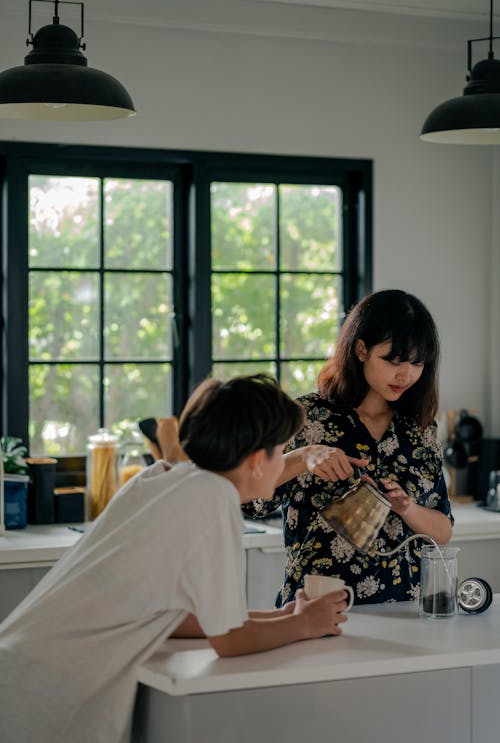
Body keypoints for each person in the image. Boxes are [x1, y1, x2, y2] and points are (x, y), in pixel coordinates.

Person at [0, 375, 349, 743]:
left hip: (18, 663)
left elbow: (166, 614)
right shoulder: (215, 501)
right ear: (256, 460)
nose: (283, 464)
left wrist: (277, 616)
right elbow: (229, 640)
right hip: (39, 694)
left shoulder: (160, 478)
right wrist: (306, 624)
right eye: (281, 452)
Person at [243, 290, 453, 607]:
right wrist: (303, 458)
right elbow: (250, 501)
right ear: (360, 350)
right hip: (311, 608)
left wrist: (406, 507)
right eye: (393, 361)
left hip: (403, 611)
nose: (406, 375)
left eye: (417, 363)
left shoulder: (420, 430)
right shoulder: (307, 417)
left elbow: (443, 532)